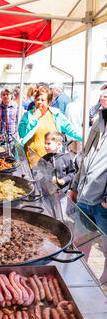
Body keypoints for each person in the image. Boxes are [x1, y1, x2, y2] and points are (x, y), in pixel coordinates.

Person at [69, 91, 107, 283]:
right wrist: (75, 185)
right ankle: (79, 278)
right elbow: (85, 156)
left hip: (103, 202)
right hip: (84, 196)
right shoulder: (98, 120)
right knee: (81, 242)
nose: (104, 94)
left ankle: (104, 284)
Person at [18, 87, 82, 161]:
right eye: (37, 99)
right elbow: (22, 134)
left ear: (49, 102)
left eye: (42, 100)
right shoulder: (28, 115)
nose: (39, 102)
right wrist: (34, 118)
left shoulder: (56, 115)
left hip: (51, 160)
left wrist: (85, 137)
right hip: (31, 158)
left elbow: (70, 129)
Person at [65, 89, 83, 157]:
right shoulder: (83, 105)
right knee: (79, 153)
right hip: (79, 132)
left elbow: (66, 118)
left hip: (70, 132)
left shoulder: (69, 105)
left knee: (71, 152)